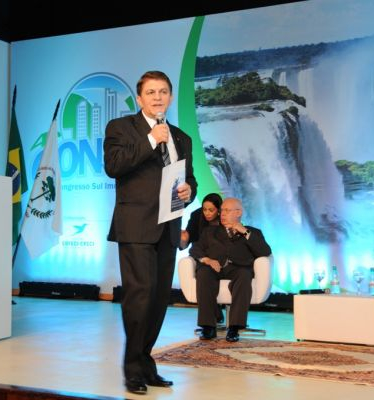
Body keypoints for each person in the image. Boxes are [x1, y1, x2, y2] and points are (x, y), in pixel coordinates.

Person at [104, 70, 197, 395]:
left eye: (163, 92)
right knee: (139, 297)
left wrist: (190, 191)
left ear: (170, 96)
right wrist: (151, 140)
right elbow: (114, 166)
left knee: (158, 301)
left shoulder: (182, 137)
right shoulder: (121, 128)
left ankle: (146, 362)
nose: (158, 97)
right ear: (140, 98)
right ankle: (132, 369)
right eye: (151, 92)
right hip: (136, 226)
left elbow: (190, 178)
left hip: (168, 227)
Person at [189, 197, 271, 342]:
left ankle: (234, 327)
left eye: (227, 211)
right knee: (203, 273)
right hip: (214, 267)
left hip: (238, 268)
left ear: (238, 212)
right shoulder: (210, 232)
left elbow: (265, 251)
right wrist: (207, 260)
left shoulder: (253, 232)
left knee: (244, 275)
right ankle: (208, 327)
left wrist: (244, 231)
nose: (222, 214)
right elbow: (195, 249)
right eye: (222, 211)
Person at [180, 192, 225, 323]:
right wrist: (183, 238)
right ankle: (211, 319)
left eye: (211, 210)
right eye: (204, 209)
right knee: (204, 273)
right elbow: (187, 243)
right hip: (203, 258)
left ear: (219, 210)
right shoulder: (196, 216)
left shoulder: (225, 217)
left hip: (223, 258)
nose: (207, 213)